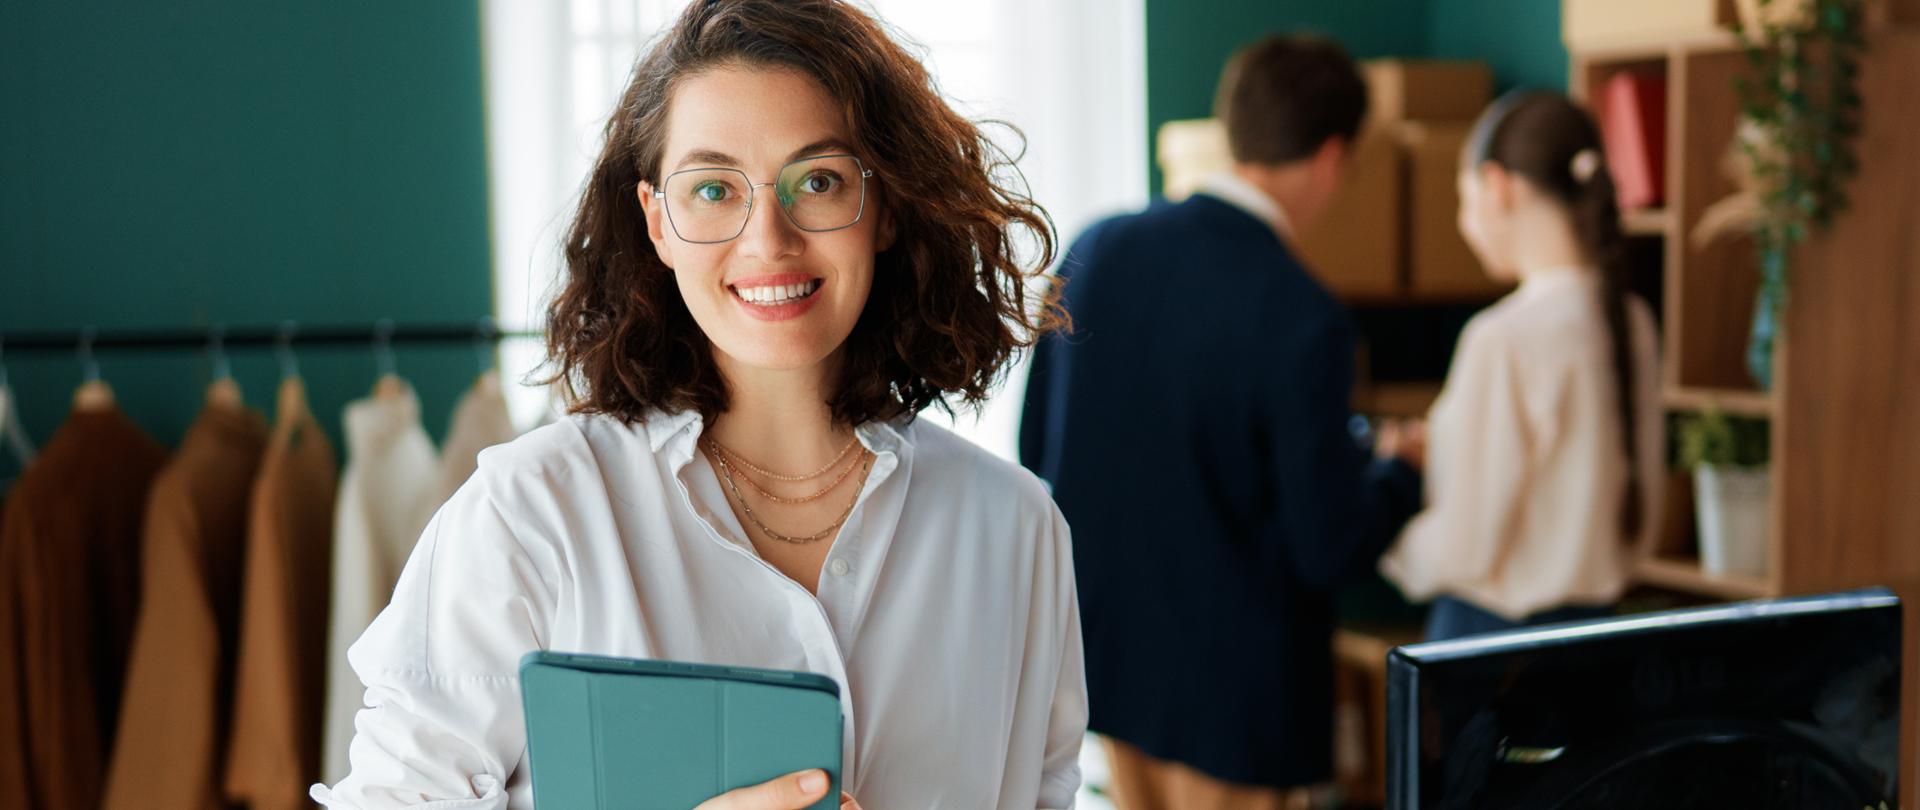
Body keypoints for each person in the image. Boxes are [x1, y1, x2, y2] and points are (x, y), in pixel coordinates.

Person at [311, 2, 1086, 808]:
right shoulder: (532, 513)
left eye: (818, 180)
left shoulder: (1017, 531)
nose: (768, 241)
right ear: (657, 223)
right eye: (714, 189)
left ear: (883, 205)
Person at [1020, 35, 1425, 810]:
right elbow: (1326, 546)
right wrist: (1401, 474)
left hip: (1110, 666)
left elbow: (1037, 448)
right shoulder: (1305, 314)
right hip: (1238, 700)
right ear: (1334, 156)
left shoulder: (1095, 249)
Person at [1379, 90, 1664, 641]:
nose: (1465, 224)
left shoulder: (1502, 338)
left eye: (1463, 201)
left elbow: (1467, 544)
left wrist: (1390, 546)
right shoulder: (1634, 321)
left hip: (1488, 645)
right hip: (1595, 644)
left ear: (1497, 186)